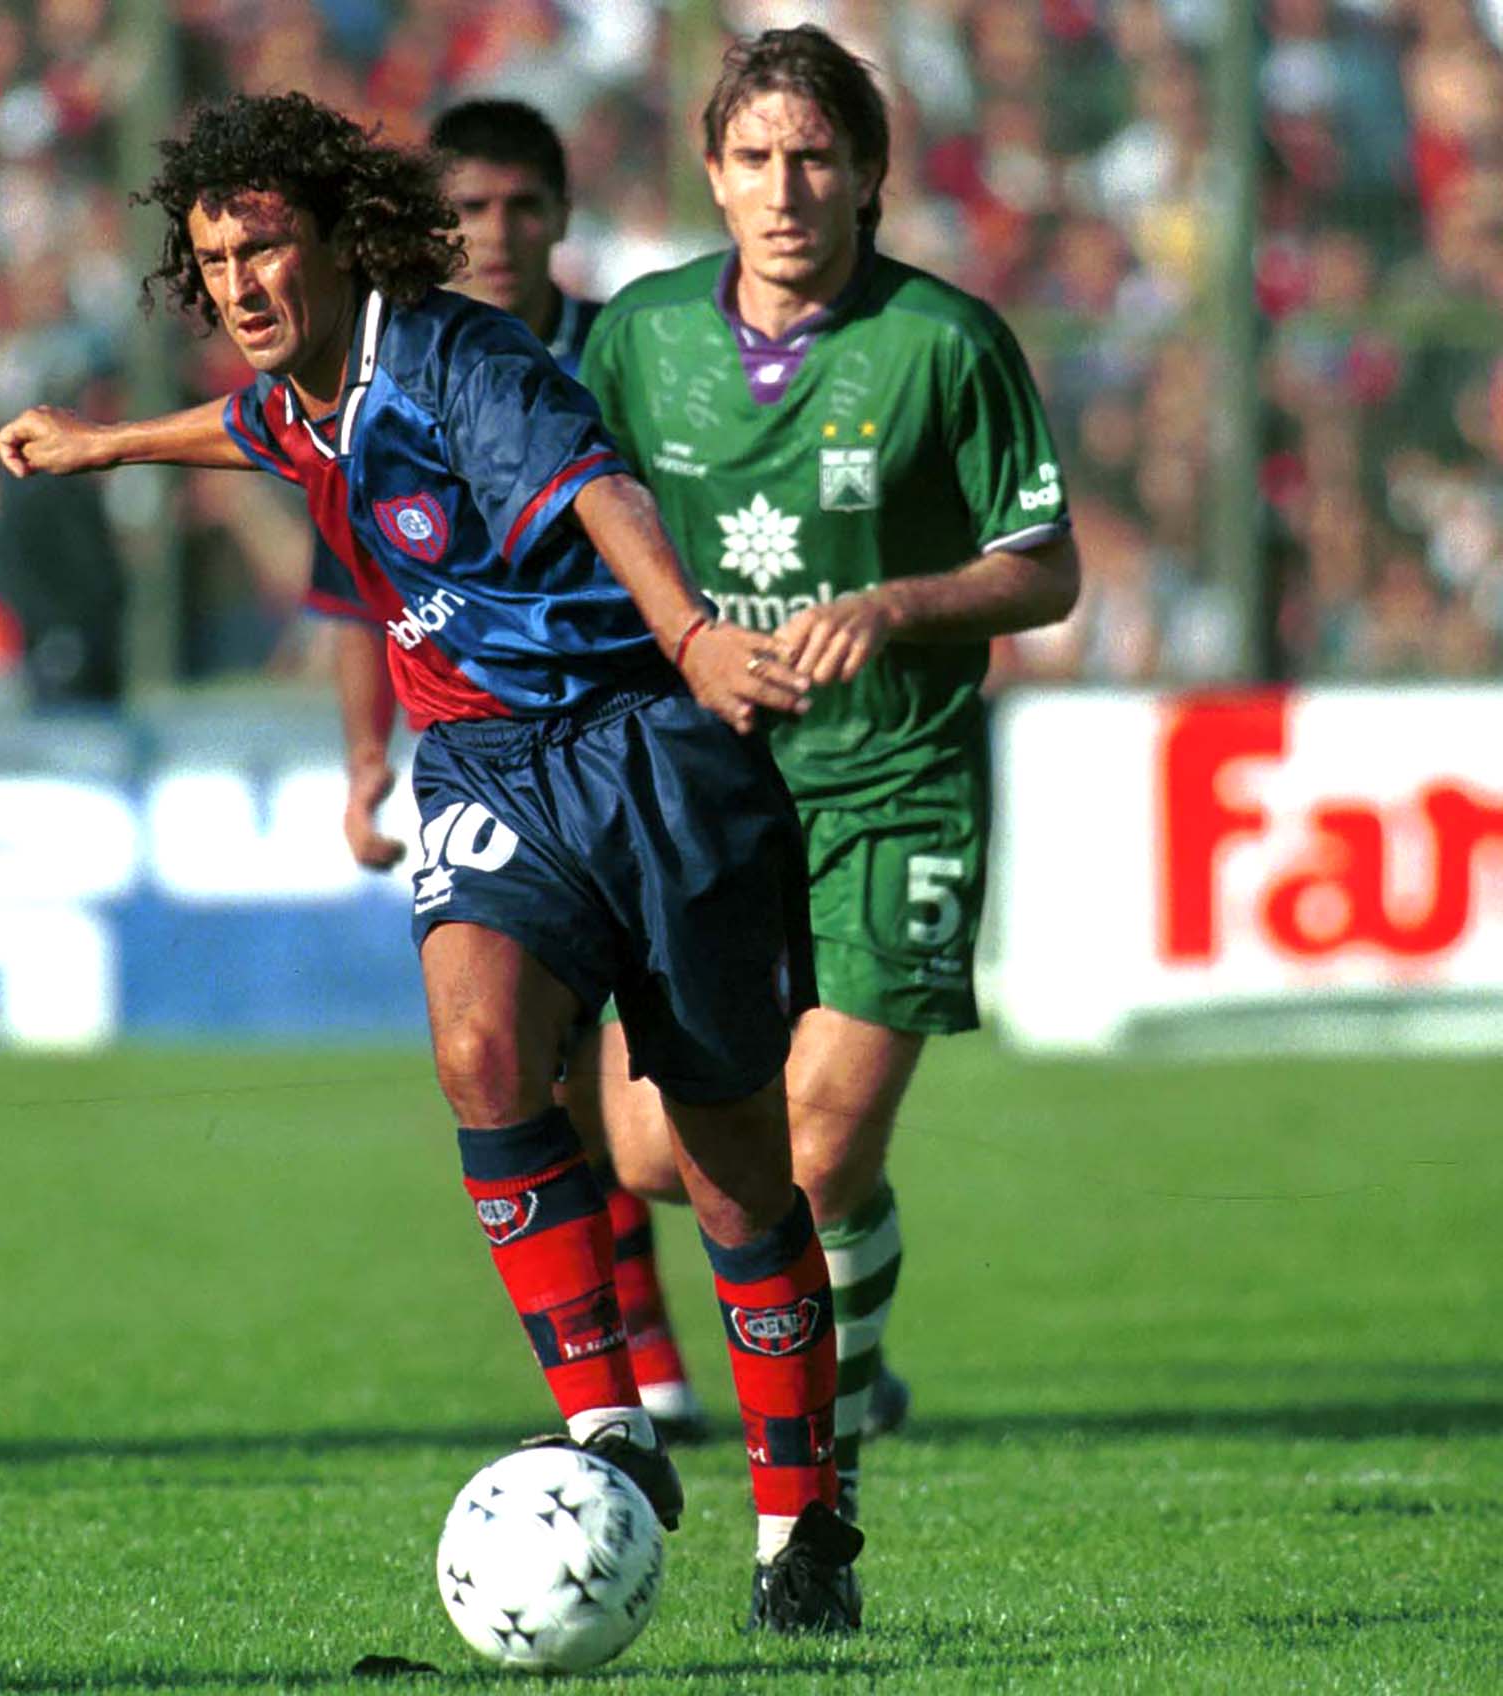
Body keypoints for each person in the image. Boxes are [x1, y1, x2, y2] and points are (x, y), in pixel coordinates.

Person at [0, 91, 869, 1632]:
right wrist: (108, 444)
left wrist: (691, 640)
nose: (240, 285)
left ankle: (803, 1531)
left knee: (732, 1173)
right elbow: (255, 431)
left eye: (265, 249)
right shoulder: (307, 391)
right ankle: (606, 1425)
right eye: (214, 262)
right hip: (484, 763)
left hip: (651, 752)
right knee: (480, 1053)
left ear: (342, 242)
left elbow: (601, 493)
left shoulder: (462, 362)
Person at [573, 23, 1081, 1544]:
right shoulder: (640, 337)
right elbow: (582, 515)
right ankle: (854, 1269)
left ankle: (819, 1487)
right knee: (651, 1153)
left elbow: (1045, 567)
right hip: (703, 783)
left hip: (896, 781)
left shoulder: (944, 342)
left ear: (867, 173)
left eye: (814, 158)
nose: (785, 189)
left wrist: (898, 605)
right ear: (711, 174)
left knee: (813, 1147)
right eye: (755, 158)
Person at [330, 97, 712, 1445]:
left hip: (656, 745)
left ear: (560, 216)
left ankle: (829, 1279)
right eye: (469, 210)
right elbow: (360, 589)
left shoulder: (631, 356)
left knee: (683, 1122)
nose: (495, 234)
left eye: (520, 206)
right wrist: (366, 761)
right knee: (527, 1062)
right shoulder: (385, 378)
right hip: (502, 768)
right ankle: (639, 1375)